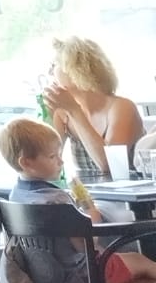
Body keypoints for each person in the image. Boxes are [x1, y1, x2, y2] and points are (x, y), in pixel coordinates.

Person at [0, 115, 156, 283]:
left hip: (45, 282)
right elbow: (87, 244)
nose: (61, 161)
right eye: (52, 156)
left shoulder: (16, 196)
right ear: (26, 162)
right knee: (141, 260)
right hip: (84, 276)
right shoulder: (57, 200)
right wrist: (89, 207)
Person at [42, 35, 145, 179]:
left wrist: (74, 111)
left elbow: (109, 166)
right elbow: (43, 162)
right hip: (86, 193)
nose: (49, 72)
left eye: (54, 65)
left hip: (130, 192)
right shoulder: (62, 112)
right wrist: (46, 118)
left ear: (76, 70)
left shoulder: (122, 107)